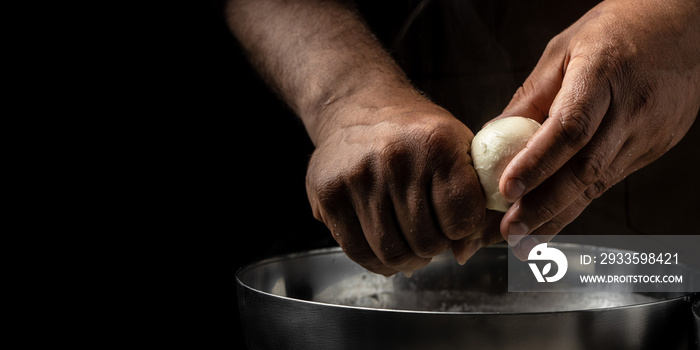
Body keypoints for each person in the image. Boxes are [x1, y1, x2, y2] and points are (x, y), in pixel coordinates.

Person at [225, 0, 700, 276]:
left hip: (650, 248)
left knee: (656, 298)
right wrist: (348, 97)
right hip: (367, 227)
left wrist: (684, 21)